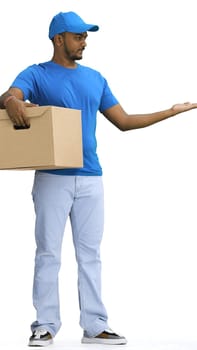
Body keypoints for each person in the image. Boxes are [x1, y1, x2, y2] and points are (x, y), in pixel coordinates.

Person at [0, 11, 197, 347]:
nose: (85, 41)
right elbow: (11, 95)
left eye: (86, 36)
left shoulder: (95, 78)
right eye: (78, 36)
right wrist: (11, 102)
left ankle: (95, 326)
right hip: (52, 177)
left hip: (92, 178)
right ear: (59, 38)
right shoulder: (36, 73)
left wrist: (170, 111)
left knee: (90, 254)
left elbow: (124, 121)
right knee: (48, 252)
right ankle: (44, 325)